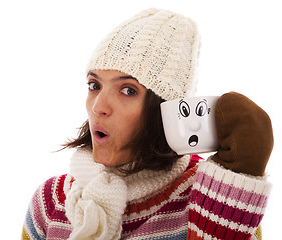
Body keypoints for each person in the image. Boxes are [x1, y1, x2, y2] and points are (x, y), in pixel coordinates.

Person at [22, 8, 273, 240]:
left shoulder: (218, 194)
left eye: (128, 90)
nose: (98, 106)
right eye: (94, 85)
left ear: (166, 110)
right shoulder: (50, 201)